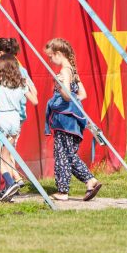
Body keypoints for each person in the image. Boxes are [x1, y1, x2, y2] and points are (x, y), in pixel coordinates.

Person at [43, 37, 102, 202]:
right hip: (74, 121)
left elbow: (67, 96)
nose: (50, 60)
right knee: (69, 154)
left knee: (63, 154)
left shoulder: (64, 72)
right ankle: (88, 182)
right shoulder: (73, 70)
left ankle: (66, 190)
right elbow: (83, 94)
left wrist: (60, 86)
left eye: (50, 56)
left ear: (59, 53)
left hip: (64, 120)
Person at [0, 53, 37, 202]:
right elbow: (35, 101)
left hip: (1, 119)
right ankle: (10, 183)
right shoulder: (20, 84)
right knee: (6, 155)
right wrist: (29, 84)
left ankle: (9, 181)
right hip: (15, 120)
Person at [0, 37, 37, 124]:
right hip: (18, 115)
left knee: (1, 137)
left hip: (7, 115)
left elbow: (34, 94)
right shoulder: (21, 70)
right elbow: (34, 92)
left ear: (1, 53)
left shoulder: (7, 71)